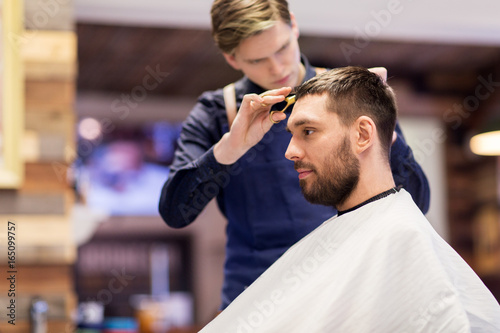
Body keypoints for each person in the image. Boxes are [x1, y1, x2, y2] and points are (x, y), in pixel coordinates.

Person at [159, 0, 430, 310]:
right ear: (231, 59)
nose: (278, 68)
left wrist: (384, 134)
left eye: (282, 48)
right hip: (257, 298)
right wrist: (229, 149)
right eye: (258, 59)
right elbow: (175, 213)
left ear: (294, 26)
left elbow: (417, 203)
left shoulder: (350, 95)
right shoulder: (215, 112)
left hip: (345, 287)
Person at [199, 66, 500, 332]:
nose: (289, 151)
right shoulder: (344, 233)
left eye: (308, 131)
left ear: (363, 135)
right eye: (292, 133)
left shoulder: (402, 240)